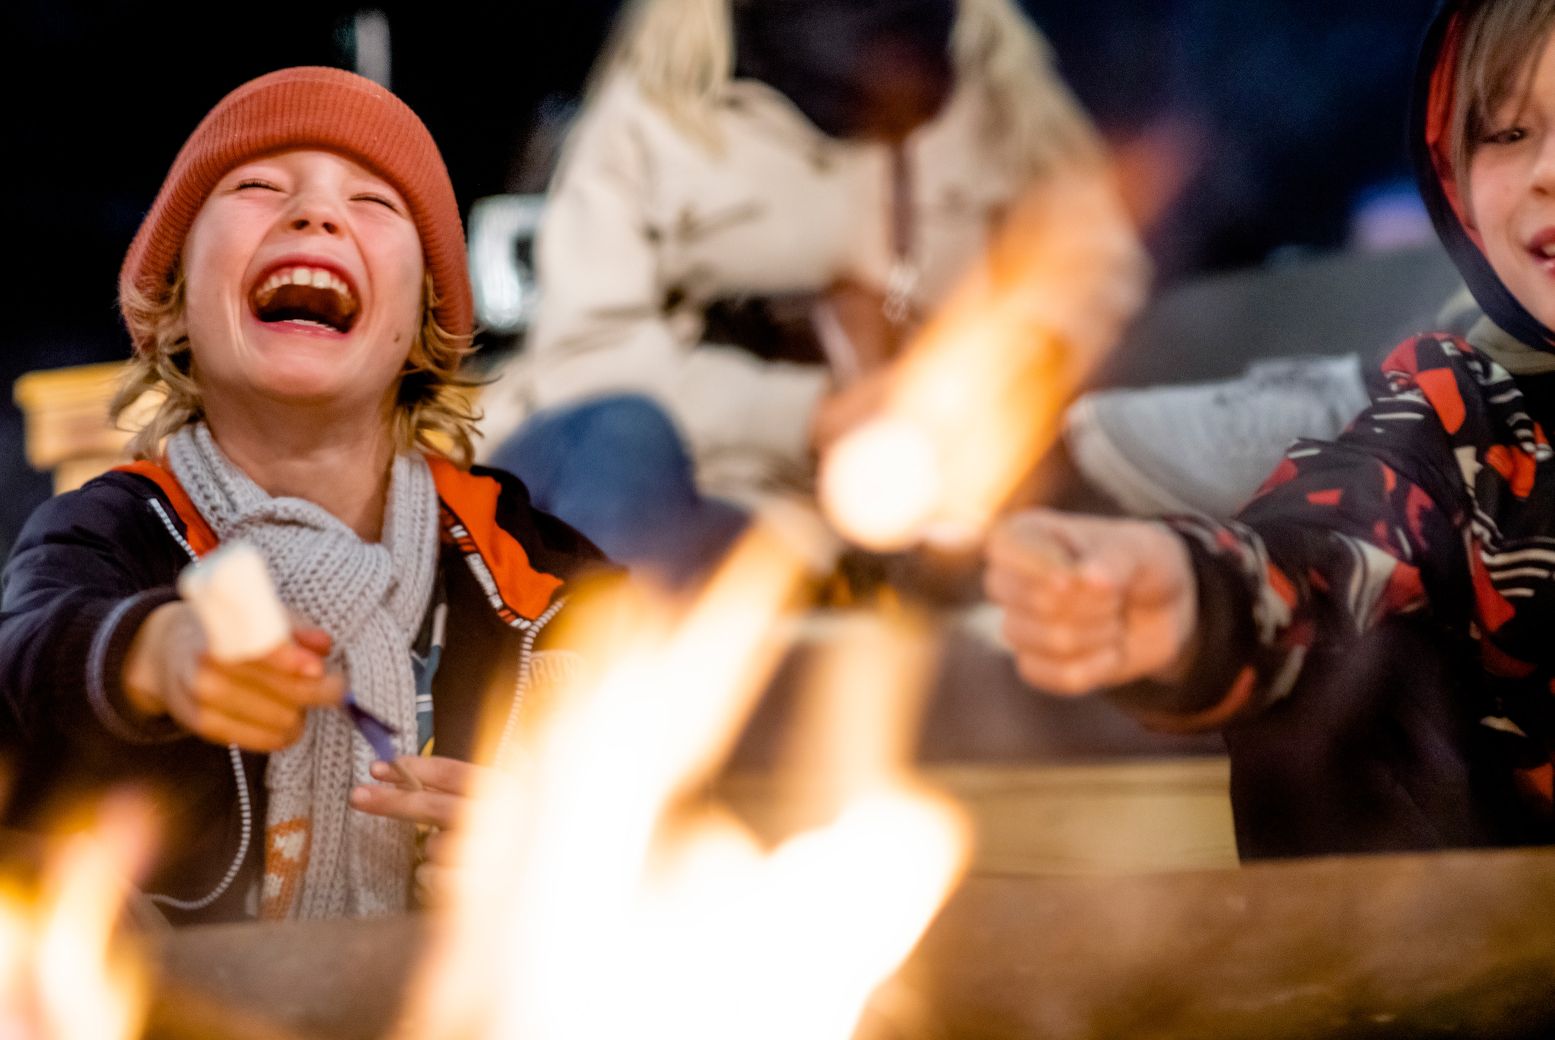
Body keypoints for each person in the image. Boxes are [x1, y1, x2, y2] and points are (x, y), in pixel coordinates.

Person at [0, 67, 611, 924]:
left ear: (424, 327)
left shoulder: (517, 559)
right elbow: (31, 652)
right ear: (173, 307)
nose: (315, 213)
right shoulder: (113, 532)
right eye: (256, 187)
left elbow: (665, 731)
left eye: (373, 202)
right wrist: (157, 651)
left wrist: (559, 849)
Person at [985, 0, 1555, 858]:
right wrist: (1196, 594)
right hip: (1505, 953)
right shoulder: (1461, 416)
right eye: (1505, 133)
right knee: (1355, 653)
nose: (1545, 169)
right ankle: (1378, 991)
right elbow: (1334, 535)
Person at [477, 0, 1148, 586]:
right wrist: (812, 415)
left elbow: (1096, 263)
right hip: (712, 489)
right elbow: (584, 362)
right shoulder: (659, 105)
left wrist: (1011, 365)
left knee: (1125, 468)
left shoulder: (992, 75)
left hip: (929, 505)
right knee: (617, 455)